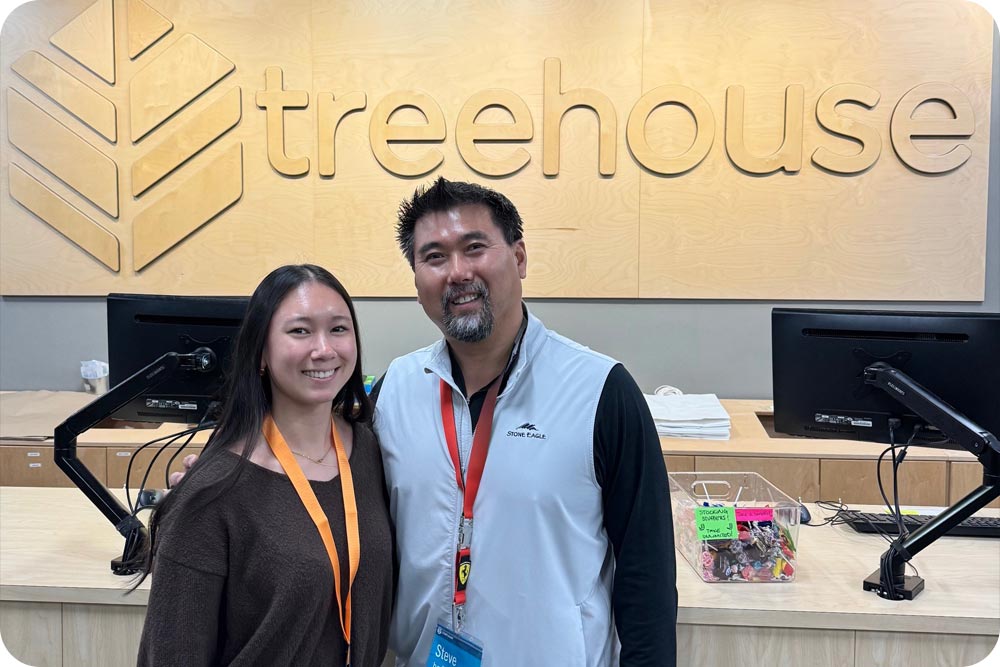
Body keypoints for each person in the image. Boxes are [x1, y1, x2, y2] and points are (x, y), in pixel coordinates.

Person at [373, 178, 677, 666]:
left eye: (475, 248)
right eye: (434, 257)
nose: (457, 272)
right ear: (416, 281)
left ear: (518, 258)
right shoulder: (394, 392)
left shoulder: (601, 390)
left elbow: (647, 571)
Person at [138, 264, 393, 666]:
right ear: (261, 352)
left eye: (339, 329)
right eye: (300, 331)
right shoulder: (213, 492)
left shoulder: (370, 451)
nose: (324, 349)